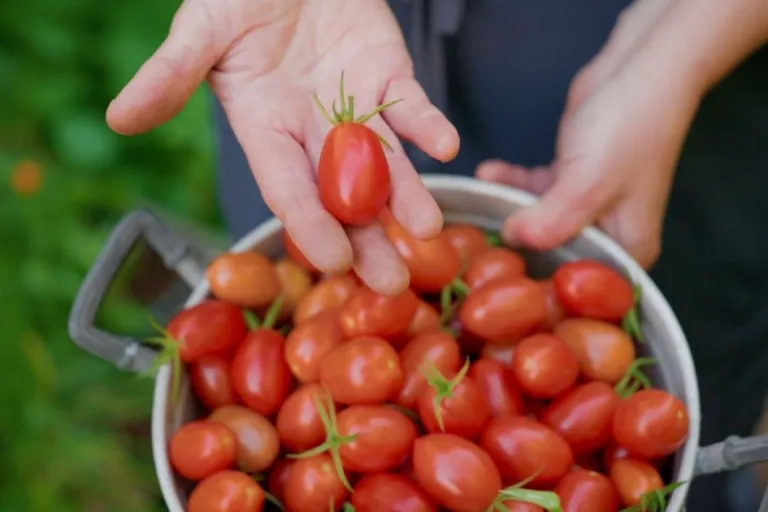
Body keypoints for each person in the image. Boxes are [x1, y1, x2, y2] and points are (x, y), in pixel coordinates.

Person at [106, 0, 768, 509]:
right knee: (319, 231)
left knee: (698, 330)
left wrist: (672, 60)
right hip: (304, 64)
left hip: (618, 39)